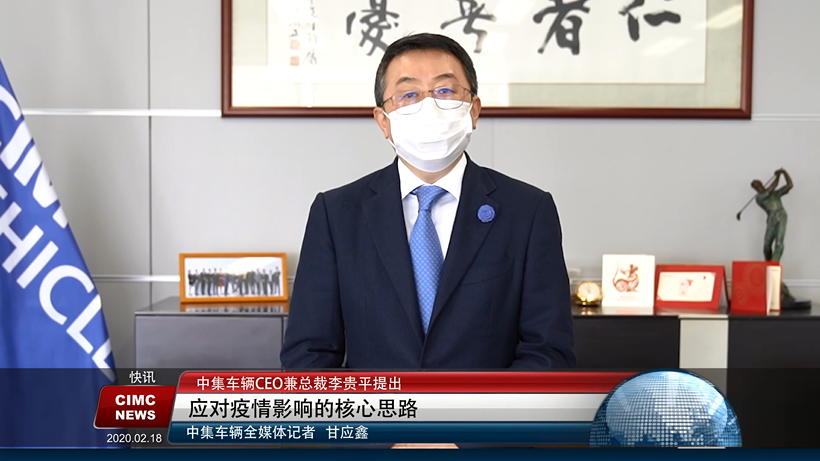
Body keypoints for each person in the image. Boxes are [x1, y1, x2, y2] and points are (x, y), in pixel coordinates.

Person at [281, 33, 575, 370]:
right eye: (408, 94)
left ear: (474, 110)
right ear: (383, 121)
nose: (429, 106)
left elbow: (548, 351)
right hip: (377, 405)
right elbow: (308, 354)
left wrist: (486, 405)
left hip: (486, 406)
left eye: (444, 91)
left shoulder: (527, 211)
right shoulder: (336, 214)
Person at [752, 168, 795, 303]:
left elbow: (789, 185)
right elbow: (771, 189)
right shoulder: (759, 198)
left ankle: (773, 265)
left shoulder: (775, 194)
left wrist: (784, 173)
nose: (758, 187)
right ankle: (770, 266)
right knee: (766, 246)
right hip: (771, 218)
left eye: (758, 185)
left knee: (779, 244)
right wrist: (778, 175)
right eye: (755, 187)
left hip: (781, 215)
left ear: (761, 184)